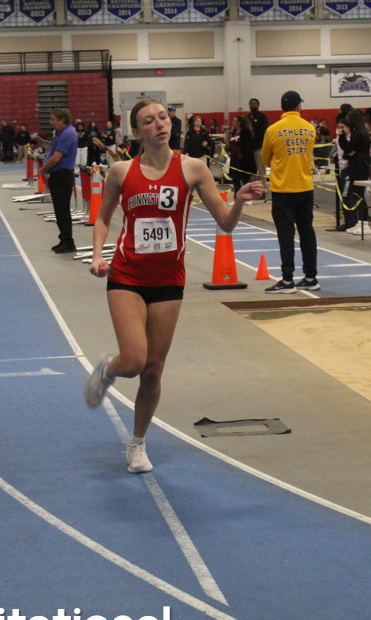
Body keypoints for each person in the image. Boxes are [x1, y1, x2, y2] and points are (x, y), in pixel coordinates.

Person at [83, 98, 264, 473]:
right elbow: (102, 218)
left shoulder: (193, 168)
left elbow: (225, 223)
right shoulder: (121, 171)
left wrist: (240, 201)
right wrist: (98, 255)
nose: (160, 125)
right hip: (127, 276)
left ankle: (137, 444)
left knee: (152, 370)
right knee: (133, 362)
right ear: (137, 132)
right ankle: (108, 369)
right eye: (150, 121)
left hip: (169, 281)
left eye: (163, 117)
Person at [262, 91, 318, 293]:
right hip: (305, 187)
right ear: (298, 106)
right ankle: (311, 277)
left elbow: (266, 159)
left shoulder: (273, 130)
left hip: (282, 188)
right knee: (307, 232)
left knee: (286, 234)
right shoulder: (310, 128)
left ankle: (287, 280)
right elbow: (308, 153)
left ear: (281, 107)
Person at [39, 108, 79, 254]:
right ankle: (64, 238)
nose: (51, 122)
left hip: (62, 176)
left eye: (53, 120)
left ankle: (68, 241)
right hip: (60, 175)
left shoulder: (67, 134)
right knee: (60, 209)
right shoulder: (65, 133)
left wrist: (44, 169)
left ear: (62, 120)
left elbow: (56, 158)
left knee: (62, 210)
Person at [338, 108, 371, 235]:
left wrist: (342, 137)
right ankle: (360, 222)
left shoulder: (358, 134)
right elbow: (350, 151)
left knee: (360, 196)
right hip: (358, 166)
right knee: (357, 195)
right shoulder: (361, 132)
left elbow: (348, 148)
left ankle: (364, 223)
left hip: (359, 168)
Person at [225, 115, 256, 195]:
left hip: (244, 161)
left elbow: (248, 146)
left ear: (239, 123)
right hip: (234, 160)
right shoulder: (234, 132)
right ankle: (237, 197)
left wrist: (242, 155)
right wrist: (227, 144)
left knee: (245, 180)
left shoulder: (246, 132)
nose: (232, 122)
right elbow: (231, 146)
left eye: (234, 121)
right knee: (235, 180)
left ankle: (247, 196)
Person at [247, 98, 269, 187]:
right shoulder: (247, 118)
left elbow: (264, 132)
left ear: (258, 105)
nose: (253, 105)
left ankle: (262, 189)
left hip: (259, 147)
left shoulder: (262, 117)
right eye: (251, 103)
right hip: (249, 149)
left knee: (261, 169)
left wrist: (254, 140)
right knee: (251, 170)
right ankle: (252, 188)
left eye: (255, 103)